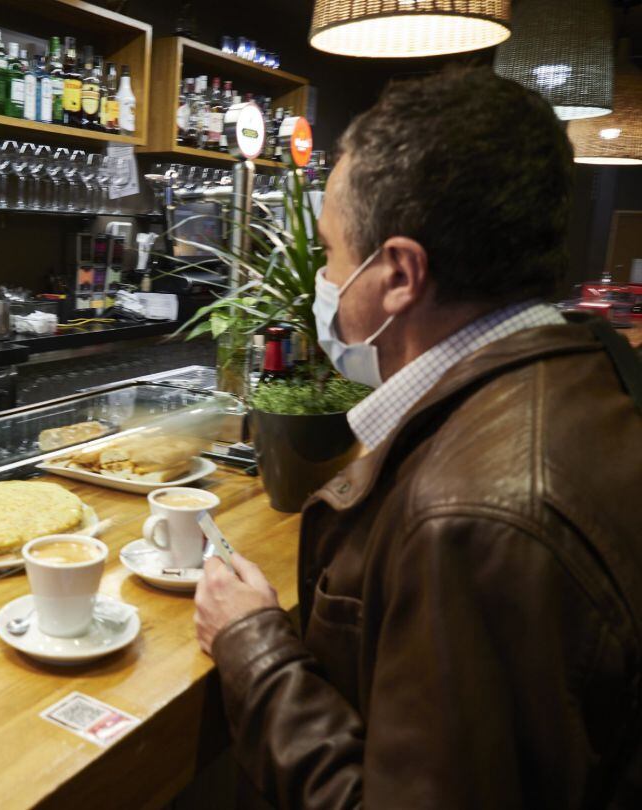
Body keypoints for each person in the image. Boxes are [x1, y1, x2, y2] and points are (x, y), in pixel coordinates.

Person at [194, 67, 642, 807]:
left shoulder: (477, 516)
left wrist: (253, 646)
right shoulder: (586, 377)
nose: (326, 283)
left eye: (334, 254)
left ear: (398, 275)